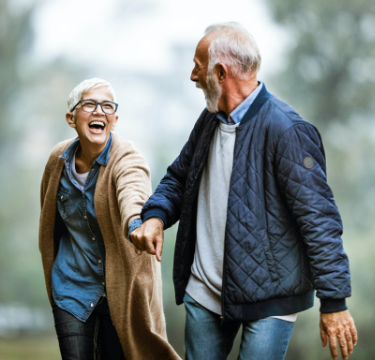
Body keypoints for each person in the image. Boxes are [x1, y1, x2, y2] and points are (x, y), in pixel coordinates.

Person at [130, 23, 358, 360]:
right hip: (204, 293)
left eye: (197, 65)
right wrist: (155, 216)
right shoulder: (209, 120)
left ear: (220, 72)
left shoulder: (288, 130)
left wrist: (334, 302)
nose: (192, 76)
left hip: (270, 299)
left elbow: (319, 220)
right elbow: (179, 178)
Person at [39, 78, 181, 360]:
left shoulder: (126, 157)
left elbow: (133, 192)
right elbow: (48, 218)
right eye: (89, 104)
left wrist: (136, 225)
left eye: (107, 106)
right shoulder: (57, 160)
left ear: (114, 120)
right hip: (71, 285)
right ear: (71, 118)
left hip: (121, 291)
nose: (99, 111)